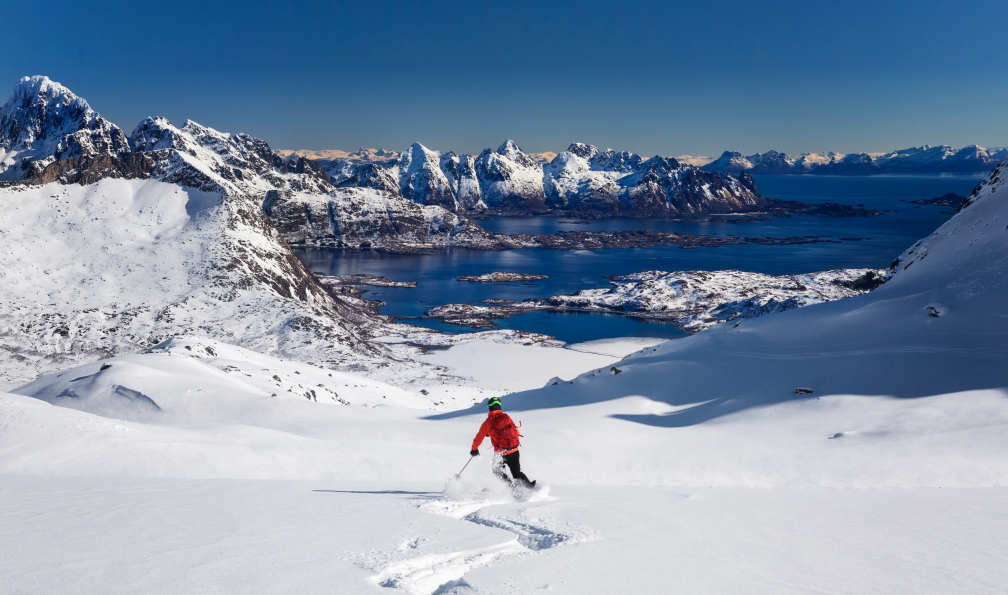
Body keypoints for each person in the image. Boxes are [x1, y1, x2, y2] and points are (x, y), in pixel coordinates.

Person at [470, 397, 536, 488]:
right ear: (499, 407)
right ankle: (530, 487)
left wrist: (474, 449)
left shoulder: (488, 422)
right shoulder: (506, 417)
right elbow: (516, 432)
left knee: (497, 472)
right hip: (514, 450)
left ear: (490, 408)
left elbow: (479, 437)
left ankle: (512, 488)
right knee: (516, 473)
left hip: (501, 453)